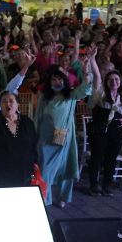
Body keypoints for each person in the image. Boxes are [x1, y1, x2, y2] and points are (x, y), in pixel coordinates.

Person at [35, 62, 92, 208]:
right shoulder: (44, 97)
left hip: (64, 137)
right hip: (45, 139)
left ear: (64, 80)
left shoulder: (70, 95)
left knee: (65, 168)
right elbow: (37, 117)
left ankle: (63, 197)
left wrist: (86, 71)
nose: (57, 82)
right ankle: (44, 198)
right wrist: (34, 136)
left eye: (60, 79)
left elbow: (85, 89)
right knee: (45, 169)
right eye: (53, 79)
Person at [88, 68, 122, 196]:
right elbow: (97, 77)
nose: (114, 82)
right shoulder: (100, 94)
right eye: (111, 79)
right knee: (96, 157)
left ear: (120, 82)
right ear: (106, 82)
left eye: (116, 79)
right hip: (100, 130)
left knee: (111, 159)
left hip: (116, 132)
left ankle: (106, 186)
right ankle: (93, 185)